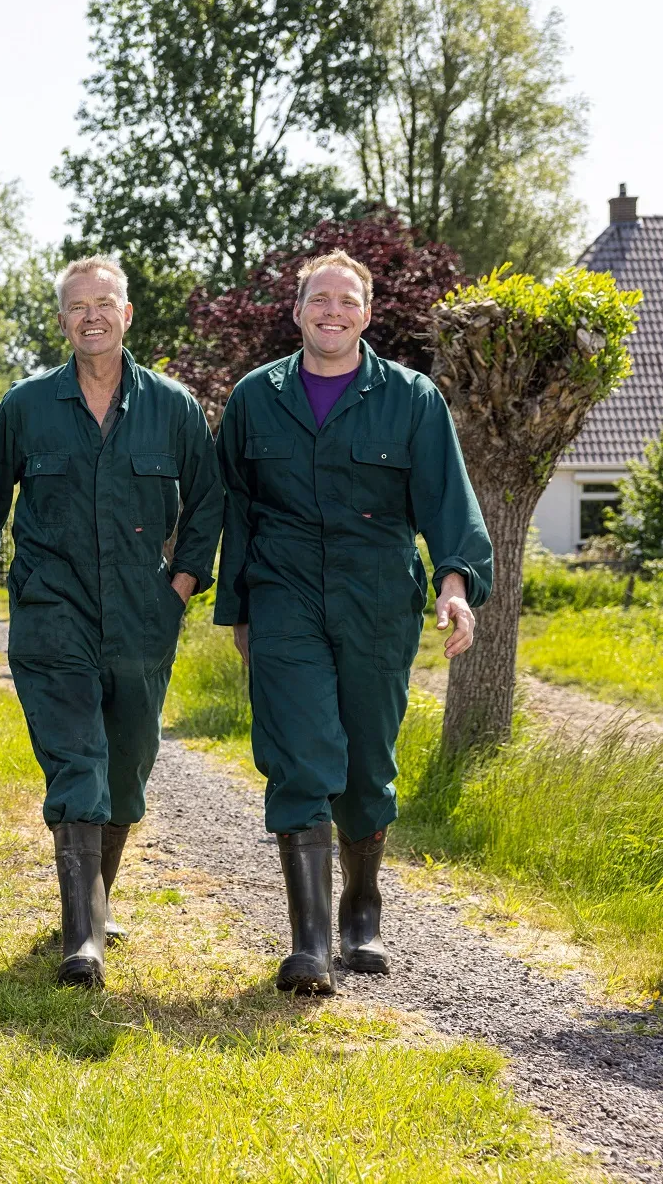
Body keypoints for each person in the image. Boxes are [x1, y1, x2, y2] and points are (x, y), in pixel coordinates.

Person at [214, 250, 492, 994]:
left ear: (365, 314)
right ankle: (306, 944)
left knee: (366, 764)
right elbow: (234, 508)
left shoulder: (410, 398)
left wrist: (455, 584)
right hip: (283, 593)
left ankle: (359, 909)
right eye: (318, 300)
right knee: (300, 756)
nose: (331, 311)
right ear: (297, 309)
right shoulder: (254, 396)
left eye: (346, 300)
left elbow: (446, 502)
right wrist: (236, 608)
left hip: (376, 598)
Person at [0, 255, 223, 988]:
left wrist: (178, 585)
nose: (91, 315)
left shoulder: (172, 407)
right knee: (77, 759)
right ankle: (81, 938)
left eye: (103, 302)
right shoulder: (25, 405)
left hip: (143, 616)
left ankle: (95, 899)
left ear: (126, 314)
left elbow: (207, 502)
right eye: (76, 305)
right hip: (52, 611)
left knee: (126, 764)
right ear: (61, 321)